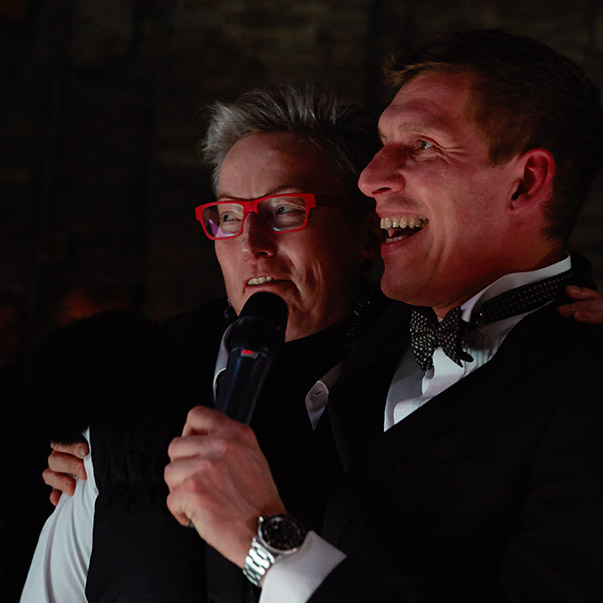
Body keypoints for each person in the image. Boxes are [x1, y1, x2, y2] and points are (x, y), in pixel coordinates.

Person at [162, 30, 603, 602]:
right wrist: (95, 424)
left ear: (525, 182)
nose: (370, 179)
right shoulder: (373, 325)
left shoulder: (584, 379)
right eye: (383, 144)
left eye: (421, 145)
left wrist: (266, 541)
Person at [20, 85, 382, 603]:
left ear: (366, 234)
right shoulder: (129, 410)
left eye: (284, 209)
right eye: (229, 216)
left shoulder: (420, 398)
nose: (252, 244)